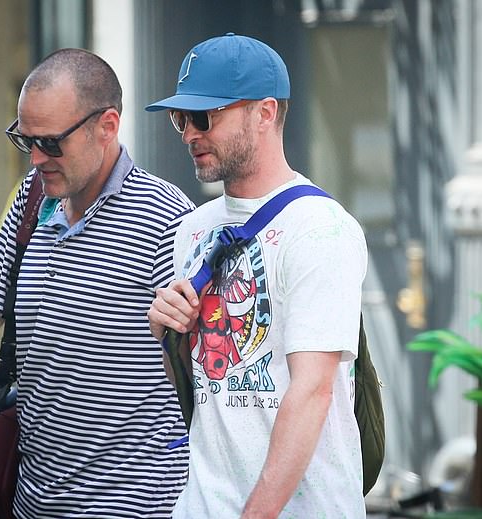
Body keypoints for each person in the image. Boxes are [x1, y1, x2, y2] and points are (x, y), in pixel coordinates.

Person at [0, 48, 194, 518]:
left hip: (135, 506)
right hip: (31, 503)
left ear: (108, 126)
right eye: (25, 140)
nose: (36, 159)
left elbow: (197, 370)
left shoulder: (167, 218)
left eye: (52, 143)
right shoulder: (34, 199)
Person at [145, 33, 368, 518]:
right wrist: (168, 331)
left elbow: (312, 391)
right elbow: (203, 388)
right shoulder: (193, 229)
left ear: (264, 113)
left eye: (204, 117)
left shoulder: (320, 230)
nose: (188, 134)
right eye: (180, 119)